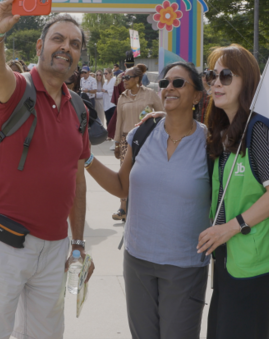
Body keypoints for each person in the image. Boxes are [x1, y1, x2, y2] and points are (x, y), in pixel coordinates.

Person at [0, 0, 93, 339]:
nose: (66, 47)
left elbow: (76, 179)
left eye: (74, 44)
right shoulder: (16, 89)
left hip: (54, 250)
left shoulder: (78, 109)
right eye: (58, 39)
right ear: (40, 46)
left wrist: (78, 243)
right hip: (2, 241)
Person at [86, 61, 210, 338]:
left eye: (178, 83)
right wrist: (86, 158)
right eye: (164, 83)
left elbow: (231, 194)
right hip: (138, 261)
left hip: (185, 265)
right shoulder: (142, 133)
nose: (169, 88)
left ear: (197, 96)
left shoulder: (210, 143)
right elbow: (122, 187)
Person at [197, 44, 269, 339]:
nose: (216, 83)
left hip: (253, 265)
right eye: (211, 76)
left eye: (226, 76)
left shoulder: (259, 129)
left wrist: (230, 227)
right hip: (227, 261)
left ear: (247, 82)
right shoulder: (225, 132)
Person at [112, 63, 163, 221]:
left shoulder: (150, 94)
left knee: (144, 174)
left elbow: (163, 114)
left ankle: (144, 207)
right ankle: (123, 208)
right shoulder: (122, 97)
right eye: (123, 77)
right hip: (126, 140)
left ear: (137, 79)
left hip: (146, 139)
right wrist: (117, 143)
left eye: (127, 77)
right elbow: (119, 120)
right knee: (125, 174)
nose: (124, 80)